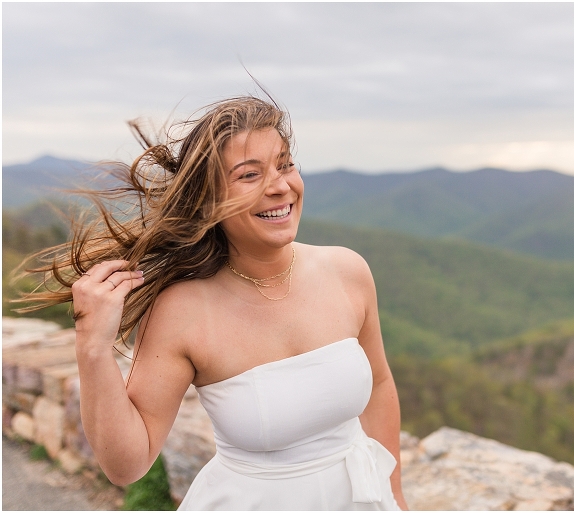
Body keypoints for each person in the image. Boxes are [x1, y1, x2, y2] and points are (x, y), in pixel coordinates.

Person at [17, 93, 408, 510]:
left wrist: (394, 494)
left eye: (285, 163)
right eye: (249, 175)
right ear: (209, 199)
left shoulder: (348, 271)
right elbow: (127, 465)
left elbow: (380, 385)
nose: (280, 186)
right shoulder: (181, 312)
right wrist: (92, 347)